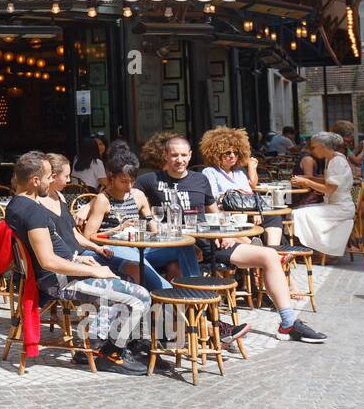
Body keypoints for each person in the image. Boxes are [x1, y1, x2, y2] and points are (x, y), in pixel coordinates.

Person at [137, 137, 328, 343]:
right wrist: (149, 219)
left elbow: (214, 214)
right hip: (174, 245)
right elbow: (133, 200)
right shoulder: (150, 180)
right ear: (165, 155)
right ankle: (208, 326)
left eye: (184, 155)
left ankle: (288, 322)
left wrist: (226, 234)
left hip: (209, 242)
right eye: (174, 155)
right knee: (179, 260)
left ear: (191, 155)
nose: (179, 159)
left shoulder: (200, 179)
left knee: (269, 255)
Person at [4, 151, 151, 374]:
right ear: (35, 181)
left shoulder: (18, 206)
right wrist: (95, 272)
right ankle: (110, 354)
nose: (50, 180)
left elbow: (51, 249)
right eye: (47, 177)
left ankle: (100, 344)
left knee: (127, 288)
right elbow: (48, 261)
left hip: (66, 271)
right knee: (139, 297)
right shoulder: (32, 211)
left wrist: (81, 258)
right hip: (61, 280)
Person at [78, 152, 179, 294]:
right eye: (124, 181)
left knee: (182, 250)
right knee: (145, 269)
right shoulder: (103, 200)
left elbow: (150, 221)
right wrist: (119, 228)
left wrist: (160, 235)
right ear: (112, 178)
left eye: (132, 181)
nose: (129, 186)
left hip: (138, 246)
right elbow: (88, 236)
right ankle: (171, 295)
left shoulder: (138, 195)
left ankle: (195, 289)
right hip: (114, 247)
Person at [199, 127, 279, 246]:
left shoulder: (239, 172)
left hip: (245, 212)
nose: (232, 156)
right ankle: (257, 250)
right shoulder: (210, 172)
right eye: (227, 153)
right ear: (216, 154)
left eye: (235, 153)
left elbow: (249, 194)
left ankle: (274, 250)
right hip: (227, 213)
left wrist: (256, 210)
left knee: (273, 216)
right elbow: (213, 198)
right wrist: (232, 193)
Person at [291, 132, 357, 259]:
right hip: (337, 205)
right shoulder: (333, 158)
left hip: (341, 208)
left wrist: (307, 181)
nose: (312, 150)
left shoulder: (336, 161)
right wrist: (310, 177)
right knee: (299, 211)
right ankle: (316, 248)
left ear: (322, 146)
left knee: (298, 213)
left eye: (314, 147)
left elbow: (329, 190)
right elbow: (331, 183)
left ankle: (317, 248)